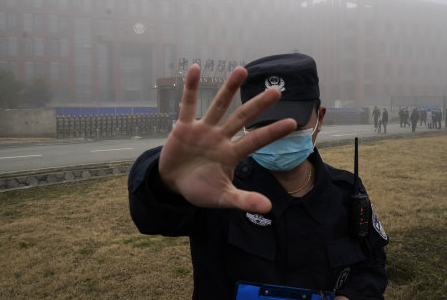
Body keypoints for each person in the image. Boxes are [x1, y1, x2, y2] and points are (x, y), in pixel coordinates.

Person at [128, 53, 388, 300]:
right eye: (263, 122)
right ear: (245, 126)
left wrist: (349, 296)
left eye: (291, 122)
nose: (276, 134)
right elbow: (151, 217)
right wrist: (165, 182)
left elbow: (372, 262)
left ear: (319, 118)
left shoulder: (345, 191)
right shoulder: (219, 188)